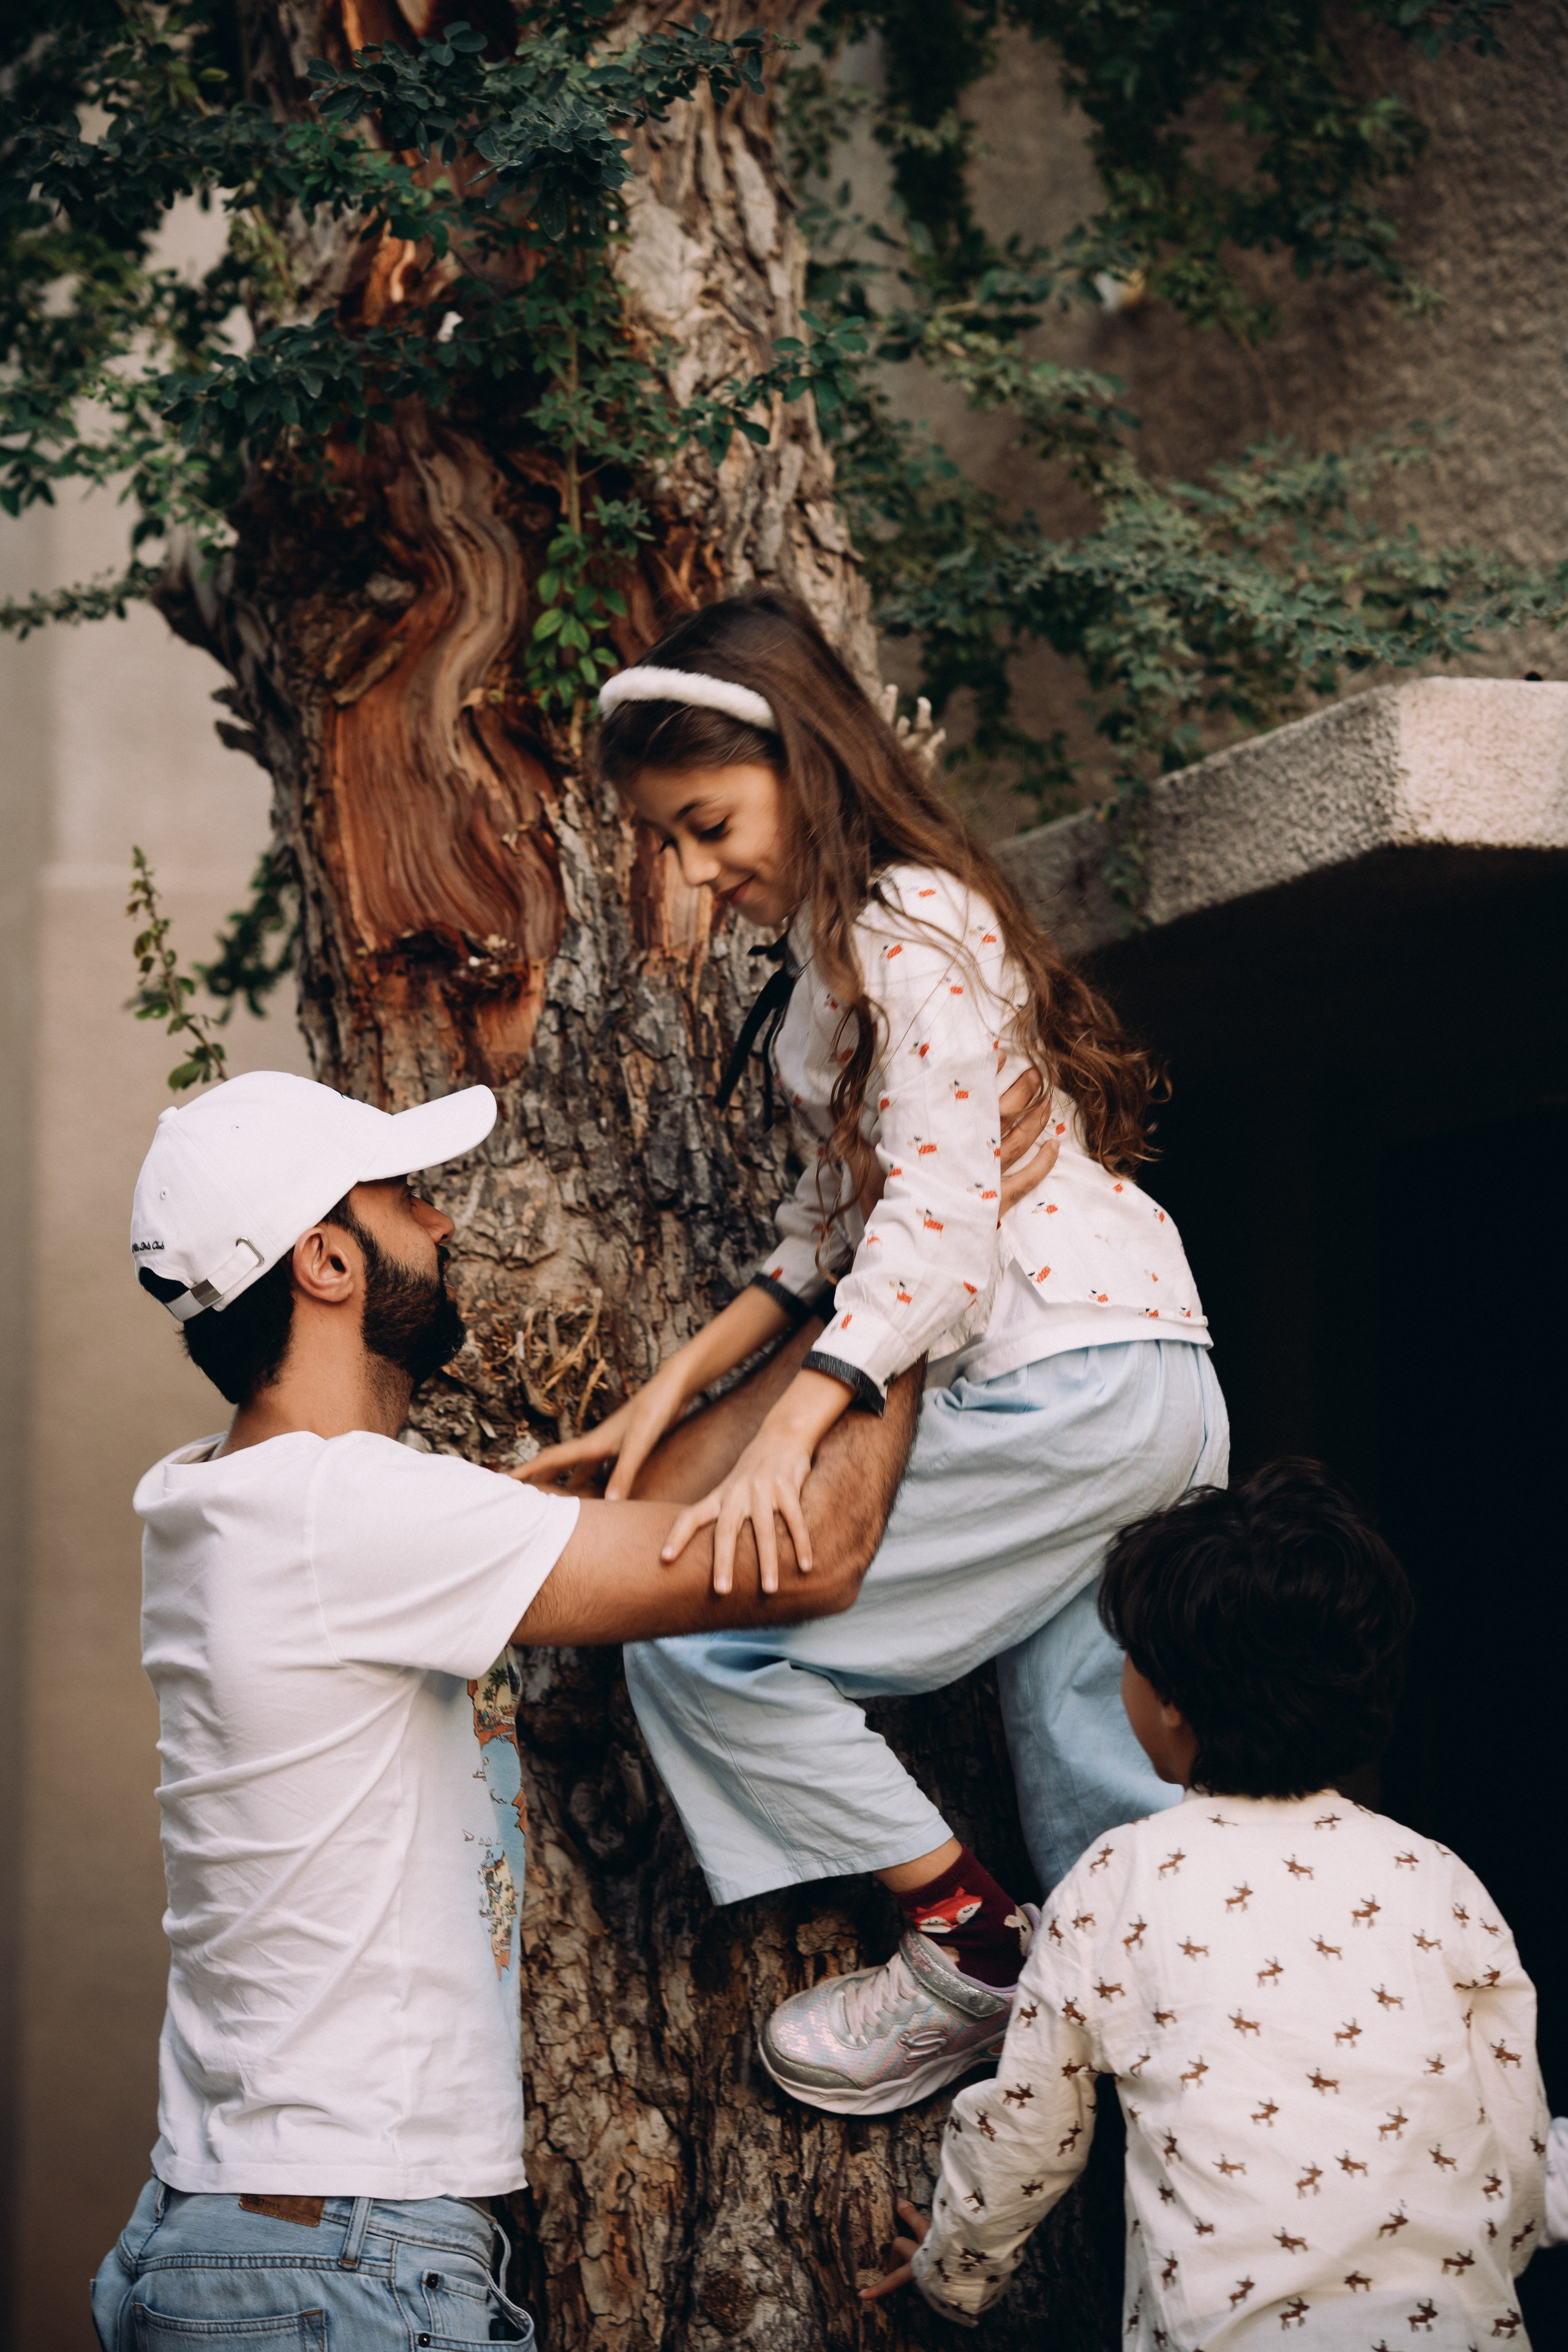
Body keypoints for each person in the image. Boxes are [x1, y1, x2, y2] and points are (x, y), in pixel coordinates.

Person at [527, 588, 1228, 2117]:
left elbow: (933, 1229)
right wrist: (675, 1389)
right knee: (1096, 1789)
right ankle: (1237, 2090)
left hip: (1062, 1385)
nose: (701, 872)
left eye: (709, 823)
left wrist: (790, 1433)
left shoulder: (906, 929)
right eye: (671, 844)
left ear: (805, 758)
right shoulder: (847, 966)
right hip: (1135, 1377)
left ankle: (967, 1944)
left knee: (702, 1641)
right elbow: (813, 1237)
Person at [92, 1069, 927, 2350]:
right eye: (405, 1200)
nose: (441, 1225)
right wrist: (914, 1289)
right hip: (338, 2264)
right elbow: (810, 1552)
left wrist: (837, 1302)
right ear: (325, 1261)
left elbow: (663, 1529)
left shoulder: (232, 1500)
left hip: (255, 2238)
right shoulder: (352, 1519)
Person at [863, 1461, 1549, 2347]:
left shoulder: (1121, 1880)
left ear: (1172, 1703)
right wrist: (1498, 2256)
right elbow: (1513, 2131)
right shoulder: (1438, 1880)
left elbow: (1031, 2128)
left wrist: (957, 2271)